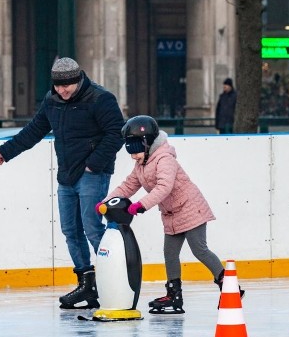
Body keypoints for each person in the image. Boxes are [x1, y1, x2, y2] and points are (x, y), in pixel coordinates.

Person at [0, 57, 124, 309]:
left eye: (68, 85)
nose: (63, 90)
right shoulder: (52, 101)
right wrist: (6, 151)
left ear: (79, 79)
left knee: (92, 228)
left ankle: (116, 278)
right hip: (67, 176)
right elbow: (34, 130)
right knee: (70, 231)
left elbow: (116, 133)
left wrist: (93, 164)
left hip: (92, 174)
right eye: (58, 86)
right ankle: (87, 284)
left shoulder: (99, 98)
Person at [102, 115, 242, 314]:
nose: (133, 156)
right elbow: (128, 186)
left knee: (199, 249)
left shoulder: (165, 159)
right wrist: (107, 201)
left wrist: (141, 205)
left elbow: (164, 187)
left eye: (136, 151)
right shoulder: (141, 164)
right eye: (130, 152)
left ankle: (230, 287)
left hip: (190, 208)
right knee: (170, 254)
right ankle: (174, 295)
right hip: (171, 214)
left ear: (147, 143)